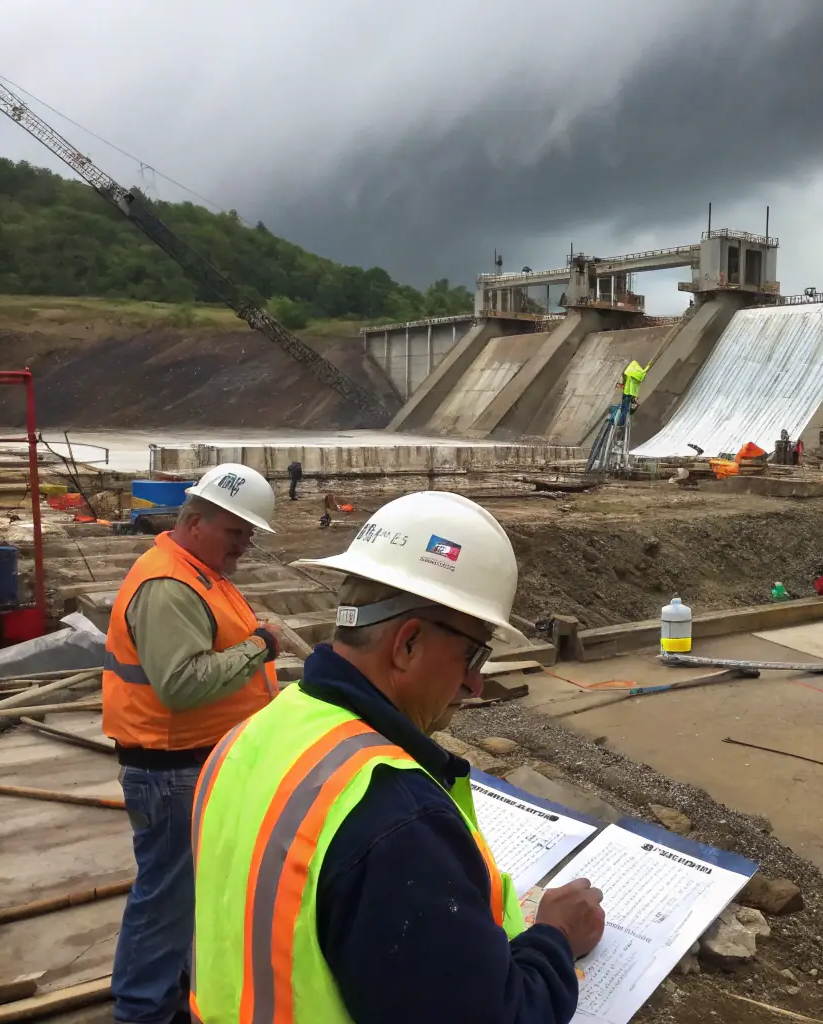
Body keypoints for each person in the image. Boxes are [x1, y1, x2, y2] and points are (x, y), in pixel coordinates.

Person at [189, 491, 605, 1023]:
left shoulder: (248, 738)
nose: (475, 683)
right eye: (473, 654)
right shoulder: (395, 822)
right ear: (407, 644)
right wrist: (555, 938)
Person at [102, 462, 283, 1024]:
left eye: (249, 535)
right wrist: (260, 646)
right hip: (171, 770)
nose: (245, 546)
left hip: (190, 765)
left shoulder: (196, 571)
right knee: (165, 902)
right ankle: (143, 1012)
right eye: (237, 533)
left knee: (180, 899)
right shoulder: (169, 585)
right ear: (197, 520)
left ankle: (168, 998)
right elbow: (182, 685)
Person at [616, 359, 647, 426]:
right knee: (625, 409)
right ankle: (621, 423)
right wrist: (635, 396)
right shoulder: (637, 378)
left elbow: (625, 382)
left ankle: (620, 422)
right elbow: (635, 388)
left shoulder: (630, 372)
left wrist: (621, 385)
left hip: (626, 392)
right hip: (630, 393)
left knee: (624, 407)